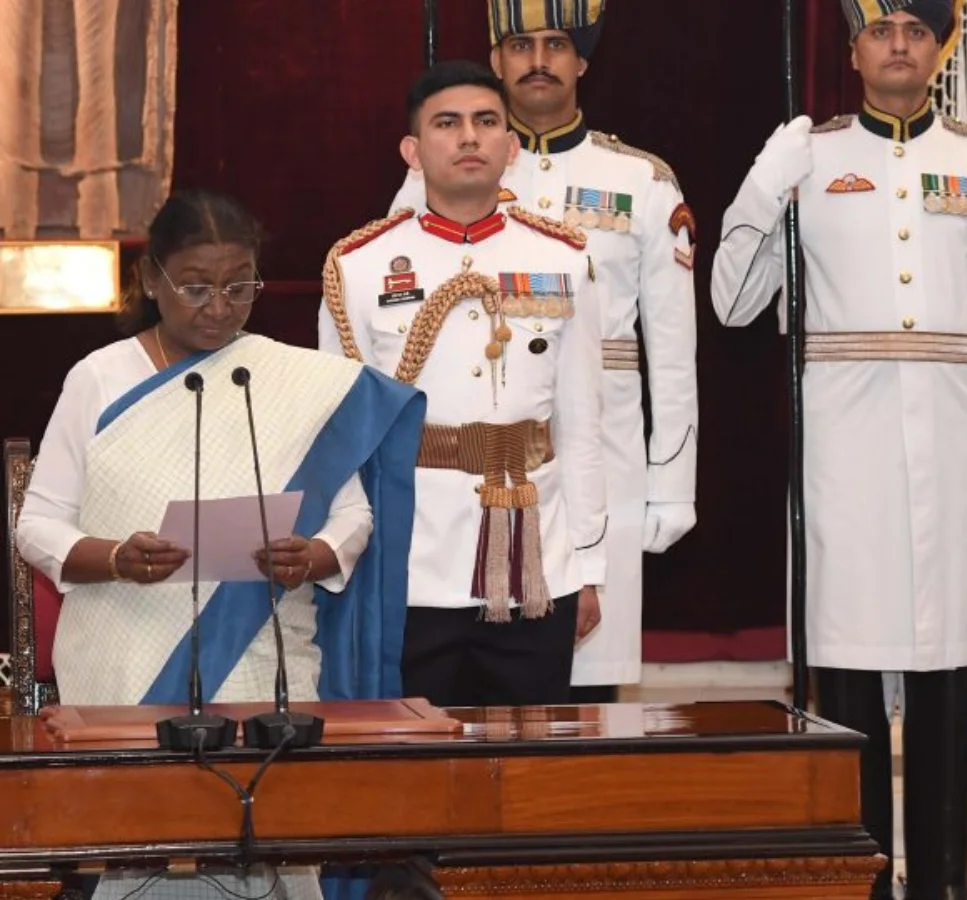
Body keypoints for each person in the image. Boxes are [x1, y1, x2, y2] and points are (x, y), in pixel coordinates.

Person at [710, 2, 967, 896]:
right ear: (852, 47)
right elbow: (733, 304)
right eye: (880, 27)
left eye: (918, 29)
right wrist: (762, 182)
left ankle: (942, 883)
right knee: (845, 678)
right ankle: (857, 883)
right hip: (842, 460)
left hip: (959, 450)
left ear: (942, 47)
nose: (900, 43)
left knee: (946, 674)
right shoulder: (808, 156)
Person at [16, 189, 424, 900]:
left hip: (263, 663)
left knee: (266, 844)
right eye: (197, 287)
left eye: (240, 287)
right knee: (135, 852)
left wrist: (314, 555)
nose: (219, 308)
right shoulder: (100, 377)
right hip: (126, 663)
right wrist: (116, 557)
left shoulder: (292, 380)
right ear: (152, 281)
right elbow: (39, 526)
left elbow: (352, 517)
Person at [393, 0, 699, 703]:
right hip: (469, 461)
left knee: (585, 688)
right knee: (466, 682)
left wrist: (672, 481)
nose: (538, 59)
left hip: (606, 457)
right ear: (497, 60)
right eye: (521, 44)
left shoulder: (642, 182)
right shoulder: (437, 174)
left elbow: (674, 350)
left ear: (582, 60)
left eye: (556, 44)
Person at [321, 60, 605, 708]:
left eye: (486, 122)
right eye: (447, 124)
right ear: (413, 151)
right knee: (413, 772)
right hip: (410, 562)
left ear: (511, 145)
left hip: (537, 564)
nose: (469, 138)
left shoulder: (562, 258)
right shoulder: (358, 267)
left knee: (531, 770)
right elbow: (340, 433)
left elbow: (583, 424)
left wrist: (588, 568)